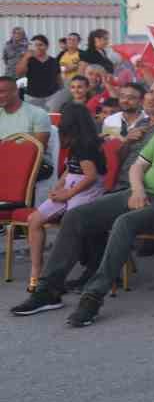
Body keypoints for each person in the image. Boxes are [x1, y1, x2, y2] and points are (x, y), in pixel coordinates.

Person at [9, 85, 154, 324]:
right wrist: (138, 190)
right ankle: (48, 290)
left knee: (124, 223)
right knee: (76, 216)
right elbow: (138, 166)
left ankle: (92, 297)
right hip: (139, 192)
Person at [22, 101, 105, 285]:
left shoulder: (86, 145)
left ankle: (62, 273)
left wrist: (68, 194)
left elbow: (90, 176)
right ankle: (36, 271)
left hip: (86, 189)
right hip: (71, 185)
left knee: (71, 222)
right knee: (34, 220)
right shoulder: (75, 144)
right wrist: (59, 186)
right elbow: (70, 168)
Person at [0, 74, 51, 146]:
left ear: (15, 92)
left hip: (24, 156)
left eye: (1, 92)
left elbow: (37, 149)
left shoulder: (38, 114)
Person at [16, 34, 63, 111]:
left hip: (52, 97)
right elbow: (19, 73)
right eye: (35, 45)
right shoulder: (28, 60)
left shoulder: (54, 61)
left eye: (41, 45)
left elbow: (58, 77)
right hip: (32, 97)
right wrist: (26, 57)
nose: (38, 47)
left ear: (47, 46)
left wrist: (61, 91)